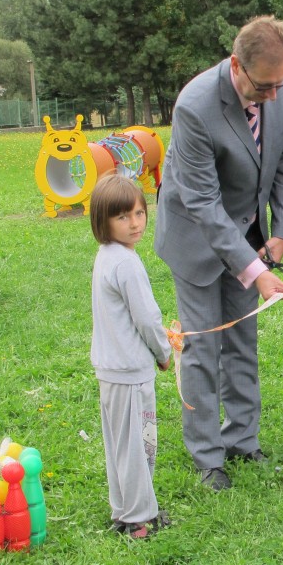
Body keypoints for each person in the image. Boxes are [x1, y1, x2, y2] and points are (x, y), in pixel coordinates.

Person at [154, 16, 283, 492]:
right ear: (237, 66)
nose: (274, 95)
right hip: (195, 238)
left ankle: (242, 439)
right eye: (264, 86)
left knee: (242, 340)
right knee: (202, 344)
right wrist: (255, 271)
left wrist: (281, 231)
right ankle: (207, 457)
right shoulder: (195, 107)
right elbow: (201, 203)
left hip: (247, 233)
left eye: (281, 83)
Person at [90, 175, 172, 538]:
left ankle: (125, 510)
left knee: (121, 444)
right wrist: (165, 352)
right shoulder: (126, 263)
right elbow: (148, 319)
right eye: (123, 217)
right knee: (140, 444)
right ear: (103, 221)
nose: (135, 222)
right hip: (132, 371)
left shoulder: (106, 256)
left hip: (110, 369)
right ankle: (139, 519)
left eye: (139, 212)